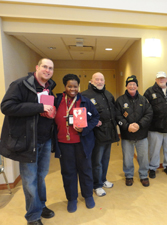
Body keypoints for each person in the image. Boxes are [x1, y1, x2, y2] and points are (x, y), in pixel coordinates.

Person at [0, 58, 56, 225]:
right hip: (27, 142)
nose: (47, 70)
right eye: (45, 67)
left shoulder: (49, 88)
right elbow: (6, 106)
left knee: (41, 176)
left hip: (44, 140)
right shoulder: (20, 84)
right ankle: (33, 216)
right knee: (30, 179)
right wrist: (39, 107)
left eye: (51, 68)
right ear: (37, 68)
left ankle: (41, 205)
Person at [54, 74, 99, 213]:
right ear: (65, 87)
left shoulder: (85, 101)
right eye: (69, 86)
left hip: (82, 143)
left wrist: (85, 128)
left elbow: (95, 117)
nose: (72, 89)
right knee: (68, 172)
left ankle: (88, 195)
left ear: (78, 87)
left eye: (75, 86)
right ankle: (72, 198)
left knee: (85, 170)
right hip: (64, 143)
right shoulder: (57, 101)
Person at [81, 72, 119, 197]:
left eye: (101, 79)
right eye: (96, 79)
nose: (99, 81)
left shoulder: (108, 94)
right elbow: (81, 115)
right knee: (96, 161)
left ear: (104, 81)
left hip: (109, 133)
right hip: (96, 135)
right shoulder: (85, 95)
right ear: (91, 81)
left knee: (105, 159)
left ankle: (103, 180)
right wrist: (93, 121)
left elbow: (114, 111)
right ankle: (96, 185)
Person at [115, 75, 153, 187]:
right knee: (127, 157)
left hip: (142, 135)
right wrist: (127, 126)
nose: (132, 86)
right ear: (126, 86)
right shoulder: (120, 100)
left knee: (143, 157)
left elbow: (149, 114)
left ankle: (143, 175)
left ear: (137, 86)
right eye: (129, 84)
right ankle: (129, 175)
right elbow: (117, 116)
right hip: (127, 135)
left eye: (134, 84)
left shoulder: (143, 100)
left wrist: (139, 125)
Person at [144, 71, 167, 178]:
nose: (161, 80)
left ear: (166, 79)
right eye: (159, 78)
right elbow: (145, 109)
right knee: (154, 150)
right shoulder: (149, 92)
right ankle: (152, 168)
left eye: (163, 78)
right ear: (156, 80)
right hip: (155, 127)